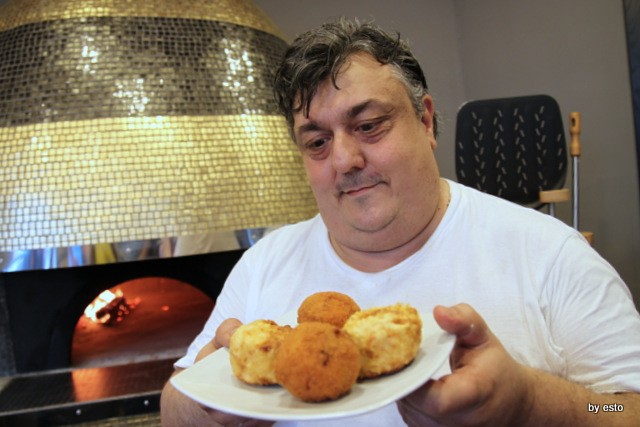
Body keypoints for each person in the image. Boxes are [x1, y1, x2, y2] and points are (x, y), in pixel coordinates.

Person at [160, 18, 640, 426]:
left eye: (369, 125)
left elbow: (626, 408)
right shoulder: (263, 264)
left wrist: (530, 403)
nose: (344, 160)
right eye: (317, 142)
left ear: (425, 121)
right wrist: (207, 408)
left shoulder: (550, 255)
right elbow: (174, 404)